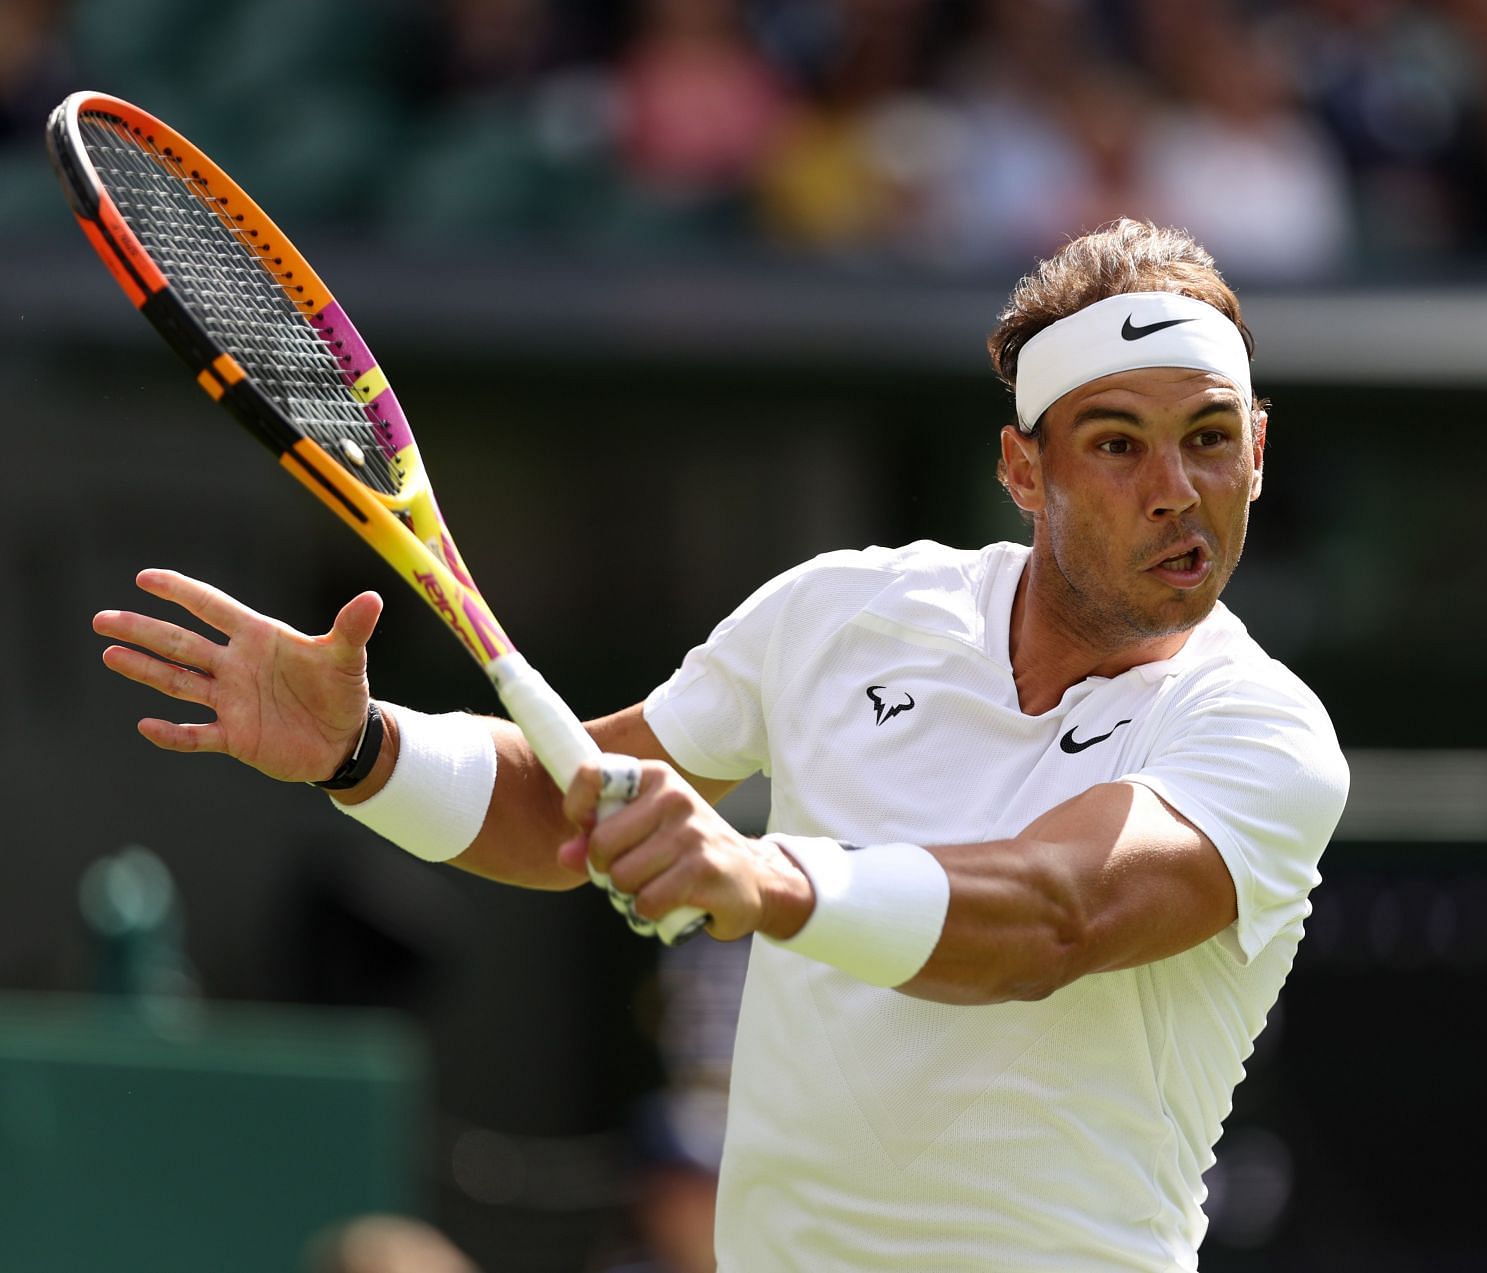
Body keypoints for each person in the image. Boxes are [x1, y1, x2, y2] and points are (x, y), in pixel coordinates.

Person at [92, 218, 1349, 1271]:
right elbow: (571, 806)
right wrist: (363, 748)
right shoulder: (841, 612)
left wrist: (765, 880)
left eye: (1210, 435)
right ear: (1024, 472)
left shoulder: (1264, 732)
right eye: (1118, 443)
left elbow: (1051, 914)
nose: (1177, 487)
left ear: (1257, 446)